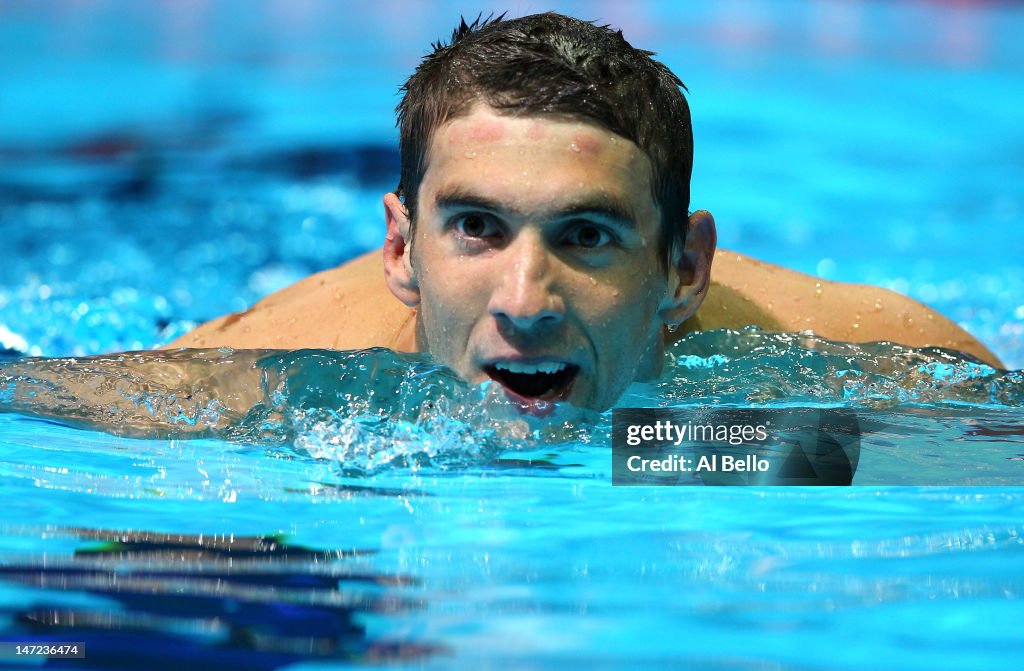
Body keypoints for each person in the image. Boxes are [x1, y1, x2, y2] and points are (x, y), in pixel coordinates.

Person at [162, 12, 1001, 412]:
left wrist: (665, 453)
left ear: (684, 269)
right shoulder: (241, 382)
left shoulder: (884, 365)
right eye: (477, 227)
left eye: (587, 234)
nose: (525, 304)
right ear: (399, 249)